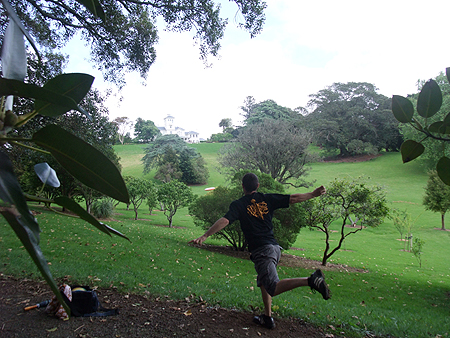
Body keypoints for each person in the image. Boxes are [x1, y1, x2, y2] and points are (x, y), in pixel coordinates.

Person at [189, 173, 330, 329]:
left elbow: (225, 220)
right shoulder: (266, 198)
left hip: (263, 251)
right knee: (264, 281)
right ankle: (267, 318)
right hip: (274, 248)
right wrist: (313, 194)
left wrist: (205, 235)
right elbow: (293, 198)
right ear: (257, 186)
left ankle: (311, 280)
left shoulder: (239, 204)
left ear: (242, 186)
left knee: (273, 287)